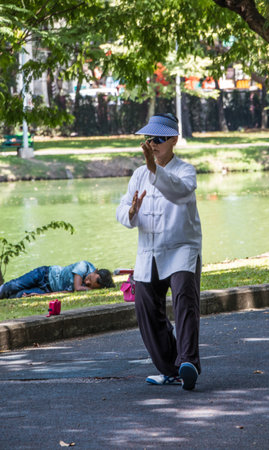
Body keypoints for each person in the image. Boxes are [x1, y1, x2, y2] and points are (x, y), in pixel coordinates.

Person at [116, 113, 202, 390]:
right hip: (148, 251)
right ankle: (171, 368)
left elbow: (179, 192)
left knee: (184, 300)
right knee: (146, 310)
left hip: (181, 248)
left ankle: (188, 362)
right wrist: (130, 212)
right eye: (149, 139)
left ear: (174, 140)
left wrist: (155, 169)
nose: (153, 144)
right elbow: (121, 208)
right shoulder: (138, 175)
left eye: (159, 139)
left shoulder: (185, 171)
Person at [0, 261, 115, 299]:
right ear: (95, 271)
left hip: (47, 289)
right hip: (42, 275)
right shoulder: (83, 265)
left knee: (20, 295)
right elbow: (77, 288)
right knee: (11, 286)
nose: (87, 282)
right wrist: (91, 290)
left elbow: (65, 292)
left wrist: (40, 296)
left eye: (90, 285)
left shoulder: (85, 284)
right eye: (90, 279)